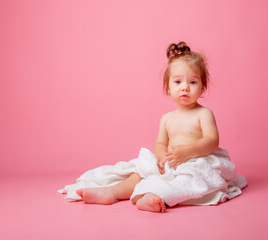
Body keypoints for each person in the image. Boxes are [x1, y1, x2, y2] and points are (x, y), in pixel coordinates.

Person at [59, 42, 247, 213]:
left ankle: (150, 197)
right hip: (169, 163)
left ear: (203, 87)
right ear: (168, 87)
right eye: (178, 81)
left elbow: (212, 141)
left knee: (189, 180)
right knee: (141, 172)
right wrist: (162, 158)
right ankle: (112, 192)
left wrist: (189, 152)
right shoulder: (167, 118)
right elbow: (160, 143)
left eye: (193, 82)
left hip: (195, 161)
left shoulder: (203, 114)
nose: (185, 88)